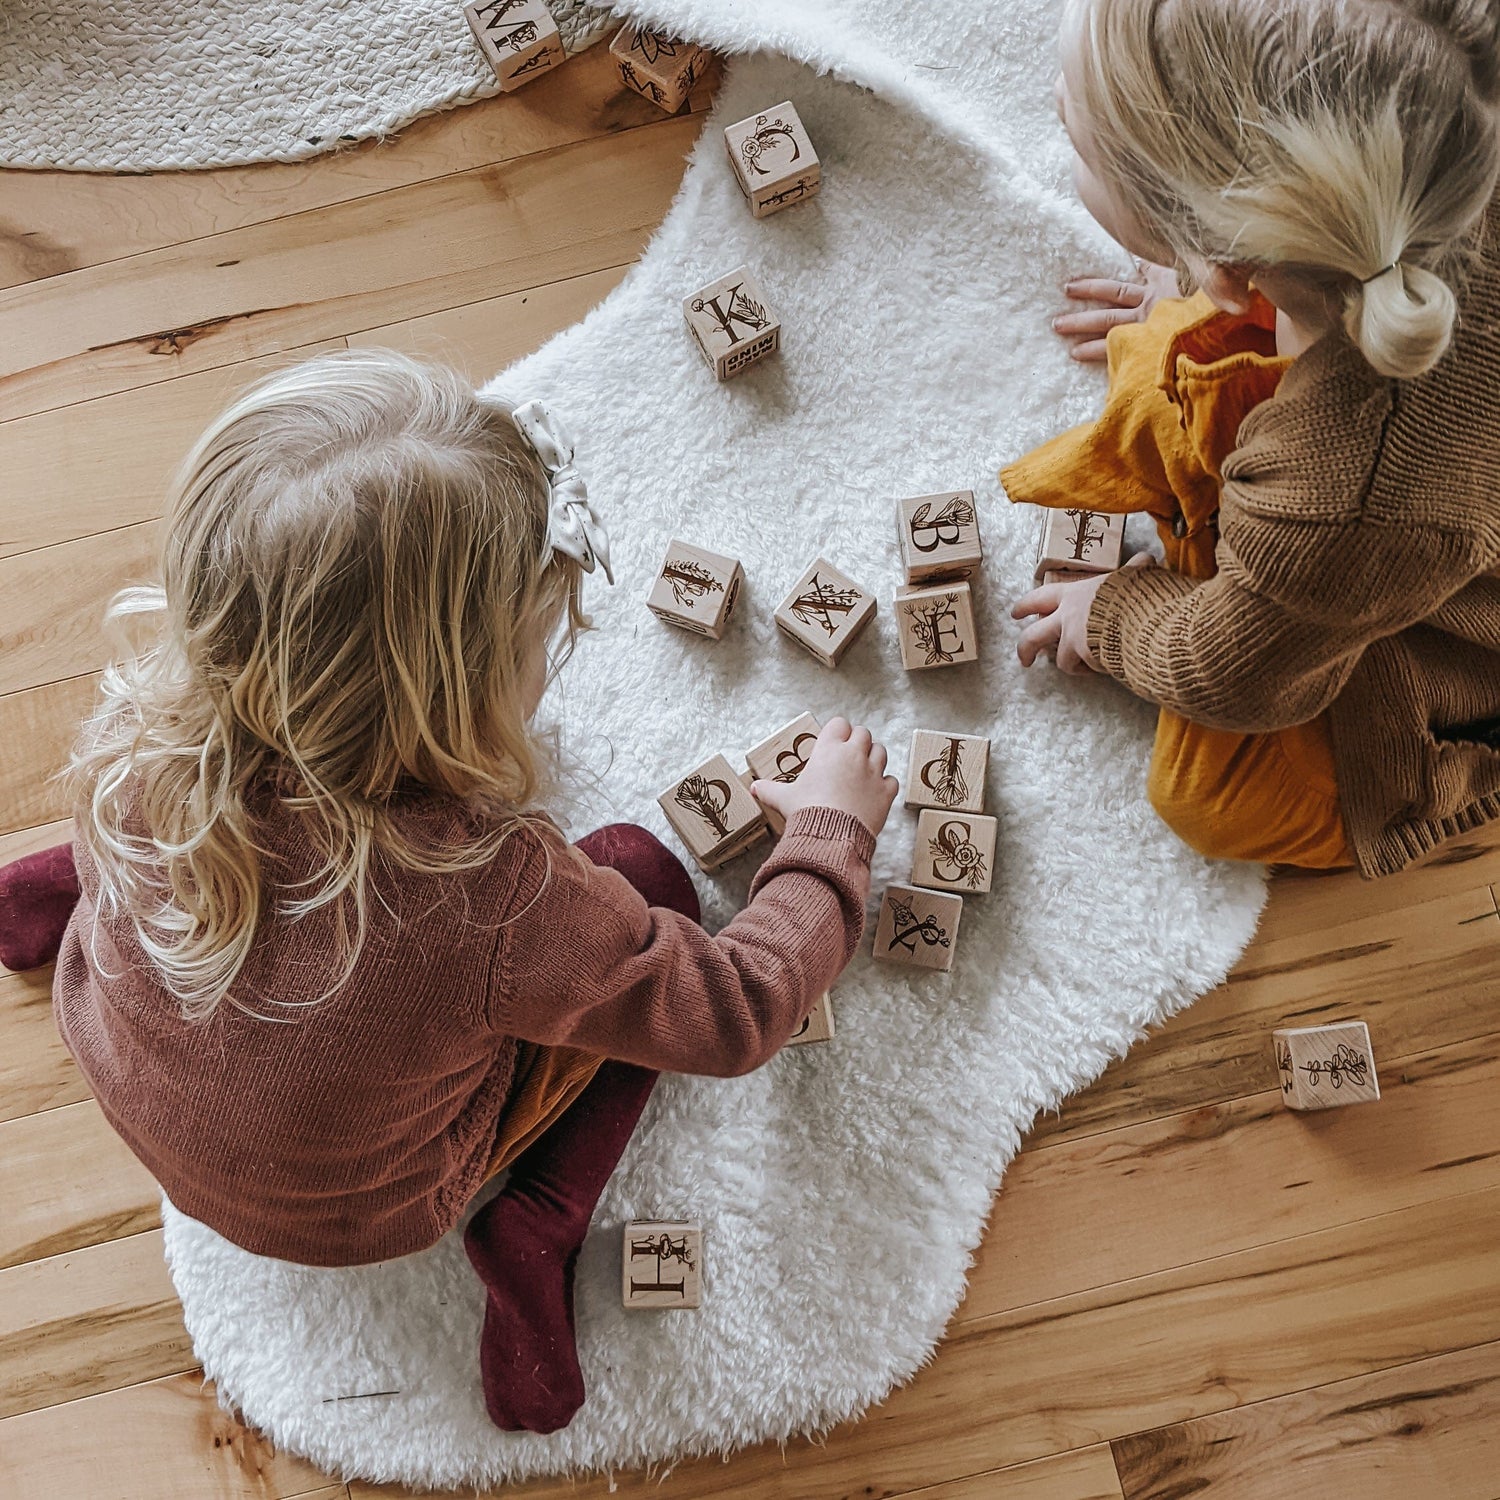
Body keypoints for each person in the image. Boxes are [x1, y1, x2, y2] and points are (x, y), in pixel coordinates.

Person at [3, 350, 896, 1434]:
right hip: (363, 1208)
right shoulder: (496, 895)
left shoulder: (139, 736)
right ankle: (539, 1218)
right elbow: (733, 1011)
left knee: (167, 844)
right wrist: (829, 835)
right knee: (644, 866)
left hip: (131, 1081)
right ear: (459, 697)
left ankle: (49, 896)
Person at [1007, 0, 1500, 876]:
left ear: (1228, 269)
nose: (1054, 102)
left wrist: (1115, 615)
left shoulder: (1343, 492)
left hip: (1447, 643)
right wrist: (1194, 269)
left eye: (1081, 140)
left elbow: (1229, 675)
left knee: (1213, 802)